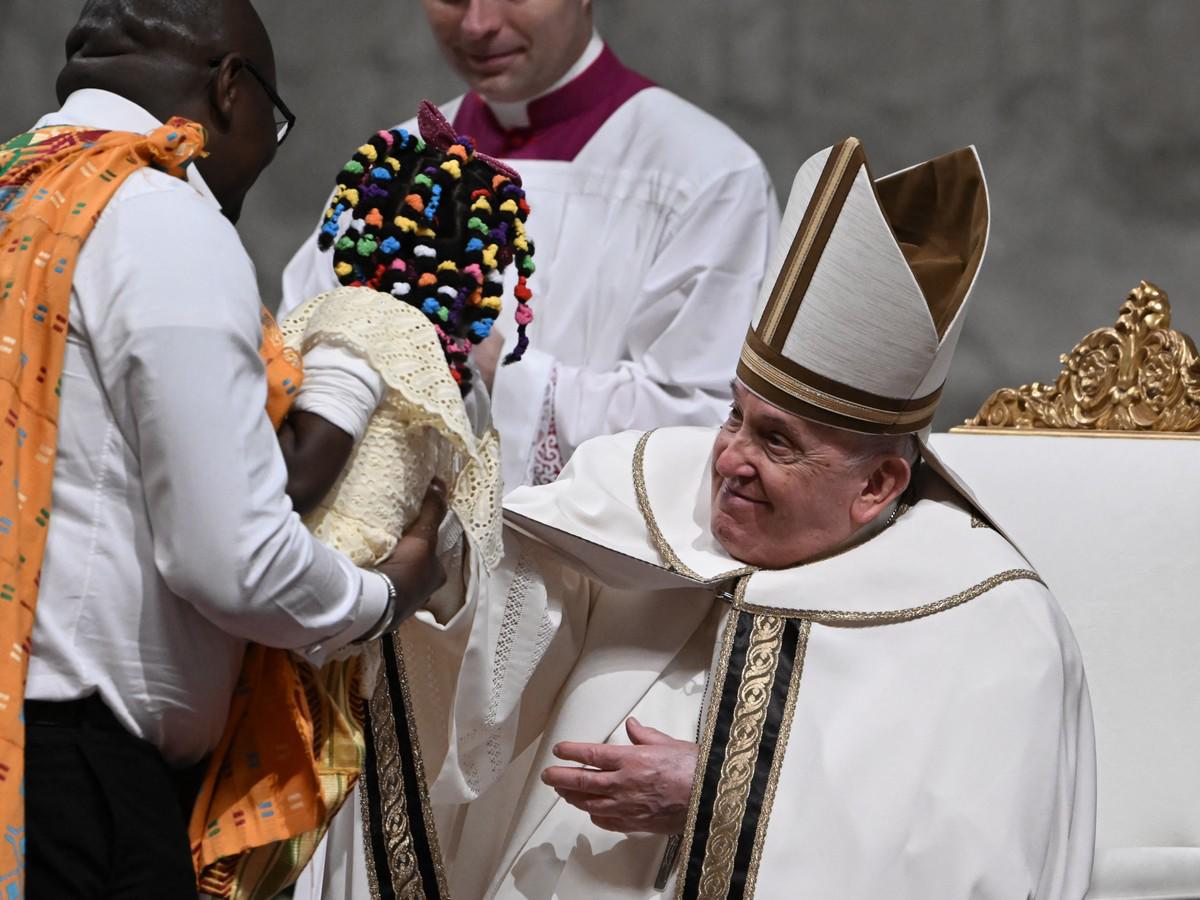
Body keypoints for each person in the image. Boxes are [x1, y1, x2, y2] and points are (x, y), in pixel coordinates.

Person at [299, 137, 1096, 899]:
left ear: (880, 483)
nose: (728, 460)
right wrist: (439, 561)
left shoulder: (993, 626)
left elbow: (974, 868)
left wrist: (720, 799)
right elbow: (495, 625)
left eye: (778, 443)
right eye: (734, 417)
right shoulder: (648, 493)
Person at [1, 2, 448, 896]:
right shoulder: (155, 211)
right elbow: (232, 558)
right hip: (70, 784)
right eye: (271, 126)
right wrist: (387, 593)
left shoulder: (20, 189)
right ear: (232, 89)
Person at [281, 0, 780, 490]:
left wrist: (502, 372)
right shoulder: (393, 166)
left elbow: (709, 423)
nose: (478, 25)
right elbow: (295, 357)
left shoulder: (706, 175)